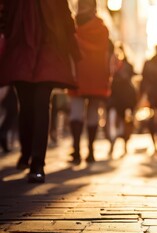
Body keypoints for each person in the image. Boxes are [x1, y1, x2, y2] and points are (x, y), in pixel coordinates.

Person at [0, 0, 80, 183]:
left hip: (45, 52)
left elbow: (66, 19)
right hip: (24, 51)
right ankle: (27, 154)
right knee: (28, 106)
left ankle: (37, 162)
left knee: (40, 104)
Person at [68, 0, 111, 165]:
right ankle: (90, 151)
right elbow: (106, 55)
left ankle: (77, 150)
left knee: (76, 112)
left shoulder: (74, 28)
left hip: (78, 74)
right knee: (93, 112)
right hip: (97, 76)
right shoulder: (102, 29)